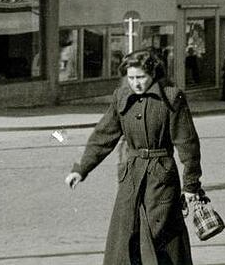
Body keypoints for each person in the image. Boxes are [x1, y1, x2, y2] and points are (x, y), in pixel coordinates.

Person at [64, 50, 203, 264]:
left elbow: (188, 143)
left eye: (141, 77)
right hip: (130, 178)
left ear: (153, 74)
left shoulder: (172, 97)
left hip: (162, 178)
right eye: (131, 78)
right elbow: (103, 135)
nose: (136, 83)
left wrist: (191, 185)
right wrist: (81, 168)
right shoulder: (121, 97)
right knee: (127, 236)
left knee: (161, 237)